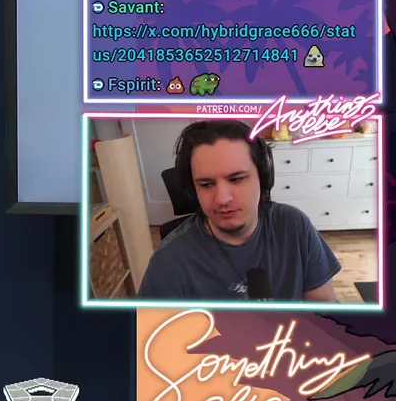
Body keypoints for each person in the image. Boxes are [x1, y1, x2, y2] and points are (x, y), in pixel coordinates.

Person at [137, 120, 340, 302]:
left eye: (236, 179)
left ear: (263, 178)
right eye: (206, 184)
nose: (222, 199)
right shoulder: (169, 263)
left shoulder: (293, 225)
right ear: (193, 190)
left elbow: (325, 306)